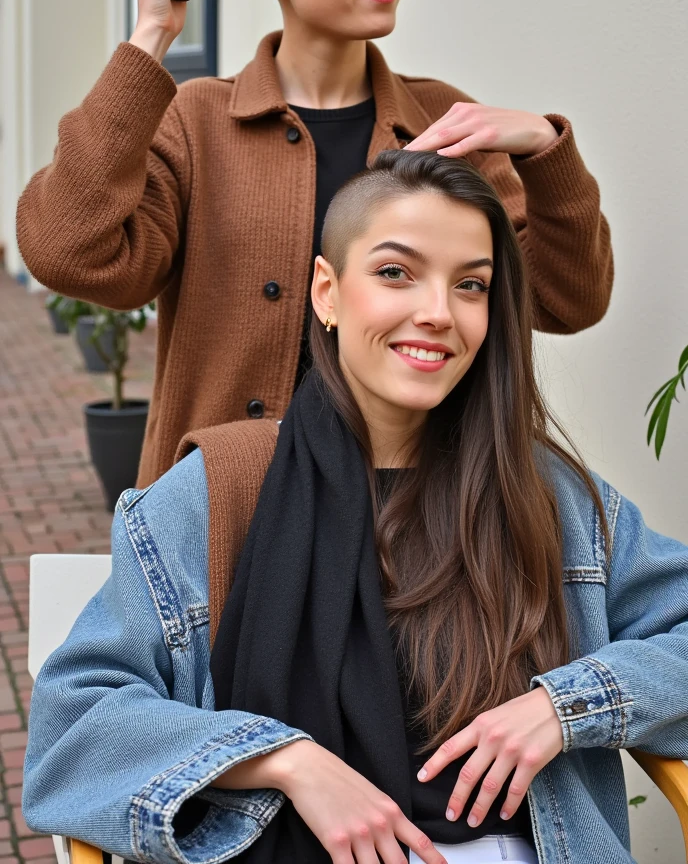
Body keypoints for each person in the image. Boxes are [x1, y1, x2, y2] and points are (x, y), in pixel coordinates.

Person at [23, 151, 687, 864]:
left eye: (471, 285)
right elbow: (75, 725)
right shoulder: (221, 490)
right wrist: (287, 762)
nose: (437, 313)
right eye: (396, 273)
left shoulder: (544, 493)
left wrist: (566, 707)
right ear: (327, 292)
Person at [16, 0, 613, 489]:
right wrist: (151, 36)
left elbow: (568, 300)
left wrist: (545, 152)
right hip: (226, 526)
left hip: (419, 523)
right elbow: (66, 250)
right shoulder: (196, 124)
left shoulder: (449, 125)